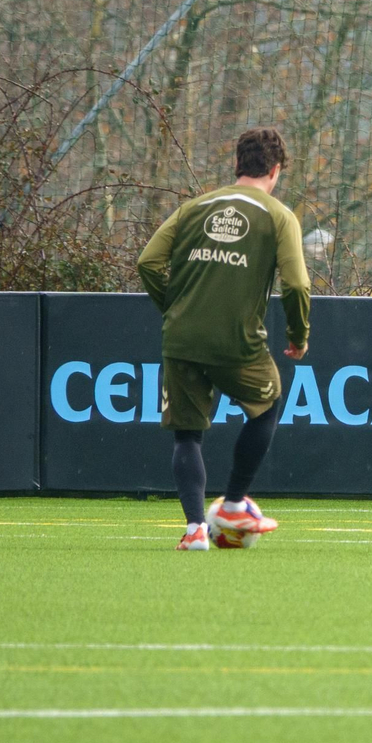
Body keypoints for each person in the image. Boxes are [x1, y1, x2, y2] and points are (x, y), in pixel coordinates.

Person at [137, 127, 310, 550]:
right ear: (275, 170)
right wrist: (297, 335)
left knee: (187, 435)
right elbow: (297, 285)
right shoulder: (278, 215)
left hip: (182, 337)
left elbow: (148, 262)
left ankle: (196, 528)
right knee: (267, 406)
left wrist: (176, 309)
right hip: (238, 341)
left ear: (237, 165)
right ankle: (233, 504)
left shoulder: (194, 207)